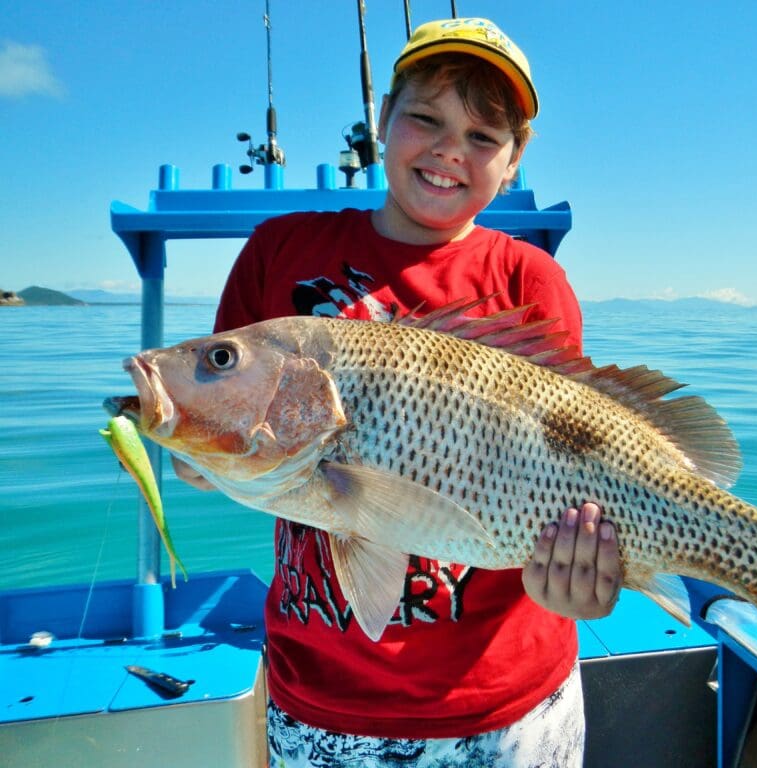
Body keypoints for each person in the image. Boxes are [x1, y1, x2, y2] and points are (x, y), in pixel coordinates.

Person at [175, 17, 622, 768]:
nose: (451, 149)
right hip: (323, 702)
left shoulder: (529, 280)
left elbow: (579, 459)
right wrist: (191, 444)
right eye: (425, 118)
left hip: (507, 704)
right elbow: (225, 437)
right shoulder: (279, 252)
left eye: (485, 137)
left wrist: (580, 583)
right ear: (383, 119)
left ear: (514, 162)